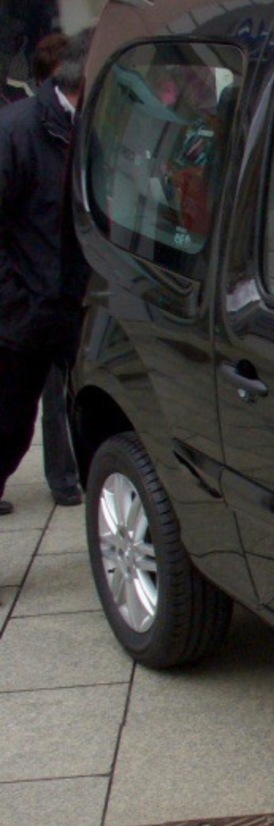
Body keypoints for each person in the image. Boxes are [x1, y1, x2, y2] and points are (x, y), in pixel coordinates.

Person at [0, 29, 91, 516]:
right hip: (24, 315)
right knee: (10, 429)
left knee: (96, 424)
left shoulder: (106, 128)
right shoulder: (16, 131)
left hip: (85, 308)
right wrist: (17, 305)